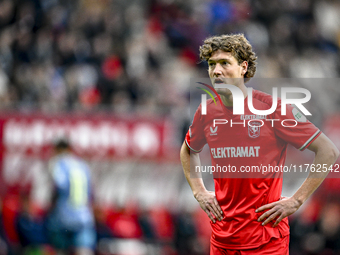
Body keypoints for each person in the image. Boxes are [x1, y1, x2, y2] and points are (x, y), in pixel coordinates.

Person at [180, 34, 339, 254]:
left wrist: (296, 200)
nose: (216, 71)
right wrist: (199, 192)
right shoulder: (206, 111)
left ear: (243, 67)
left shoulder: (273, 108)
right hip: (222, 239)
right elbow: (188, 150)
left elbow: (328, 151)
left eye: (225, 63)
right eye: (212, 64)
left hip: (265, 240)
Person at [46, 139, 96, 255]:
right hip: (84, 217)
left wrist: (51, 209)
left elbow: (58, 187)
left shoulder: (58, 163)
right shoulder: (82, 165)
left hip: (63, 216)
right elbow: (91, 192)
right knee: (84, 249)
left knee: (61, 249)